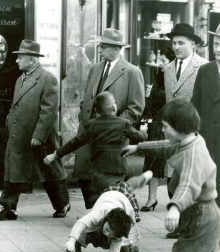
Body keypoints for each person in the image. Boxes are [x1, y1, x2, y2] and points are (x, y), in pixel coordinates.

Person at [122, 99, 220, 252]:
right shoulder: (190, 141)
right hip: (205, 218)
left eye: (165, 126)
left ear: (179, 127)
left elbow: (188, 183)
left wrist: (175, 207)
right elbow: (168, 147)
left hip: (198, 217)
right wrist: (139, 148)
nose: (162, 129)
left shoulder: (194, 153)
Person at [0, 40, 70, 221]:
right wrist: (10, 120)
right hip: (19, 134)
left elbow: (49, 111)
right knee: (13, 169)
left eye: (21, 57)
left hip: (39, 137)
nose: (17, 61)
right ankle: (9, 208)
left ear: (33, 60)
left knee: (49, 170)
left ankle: (62, 204)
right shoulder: (20, 79)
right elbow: (15, 105)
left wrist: (39, 135)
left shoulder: (48, 79)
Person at [75, 28, 145, 209]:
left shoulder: (131, 72)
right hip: (89, 130)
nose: (100, 50)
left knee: (107, 177)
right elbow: (88, 96)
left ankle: (104, 212)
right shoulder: (95, 68)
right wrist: (83, 113)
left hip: (111, 137)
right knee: (84, 174)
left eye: (104, 47)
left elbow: (136, 107)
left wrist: (115, 125)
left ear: (115, 49)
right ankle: (93, 209)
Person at [44, 91, 147, 195]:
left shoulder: (92, 125)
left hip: (97, 174)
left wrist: (55, 155)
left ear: (97, 111)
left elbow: (74, 143)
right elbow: (140, 137)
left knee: (102, 199)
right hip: (116, 172)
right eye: (114, 102)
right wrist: (144, 131)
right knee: (114, 200)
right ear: (114, 108)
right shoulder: (123, 123)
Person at [64, 172, 152, 252]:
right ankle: (77, 245)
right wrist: (71, 240)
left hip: (124, 203)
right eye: (108, 229)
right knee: (88, 226)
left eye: (112, 234)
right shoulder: (99, 213)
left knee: (123, 242)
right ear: (107, 219)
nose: (108, 234)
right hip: (109, 195)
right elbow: (80, 223)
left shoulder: (119, 228)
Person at [161, 23, 207, 238]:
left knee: (187, 178)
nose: (177, 47)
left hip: (192, 131)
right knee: (173, 179)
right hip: (173, 133)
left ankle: (188, 223)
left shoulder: (203, 67)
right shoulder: (168, 69)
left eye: (181, 43)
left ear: (193, 45)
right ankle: (182, 223)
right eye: (174, 43)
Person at [141, 48, 175, 212]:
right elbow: (151, 102)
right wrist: (146, 121)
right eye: (160, 60)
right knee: (153, 160)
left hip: (171, 124)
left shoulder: (176, 76)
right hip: (156, 124)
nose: (160, 63)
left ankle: (174, 198)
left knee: (172, 164)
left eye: (164, 61)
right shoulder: (159, 76)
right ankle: (151, 198)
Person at [192, 24, 220, 209]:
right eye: (216, 43)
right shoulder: (205, 70)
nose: (217, 49)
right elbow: (195, 106)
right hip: (208, 143)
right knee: (210, 192)